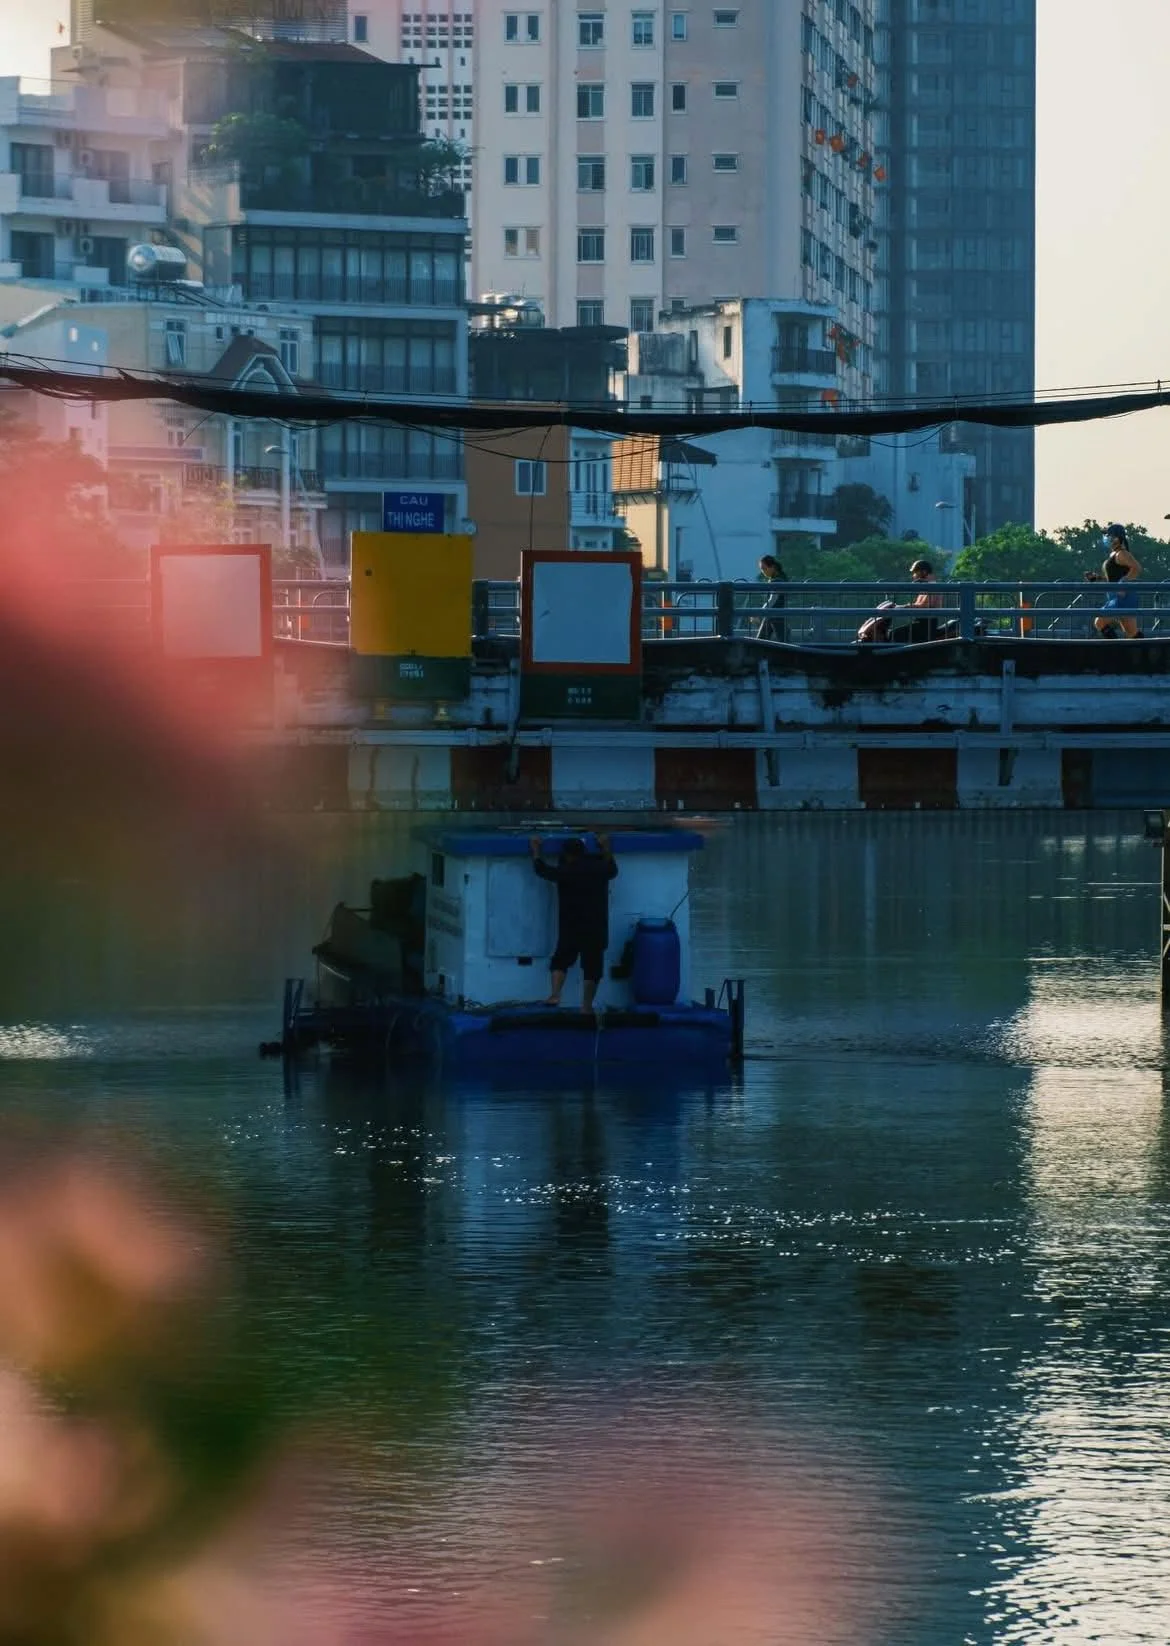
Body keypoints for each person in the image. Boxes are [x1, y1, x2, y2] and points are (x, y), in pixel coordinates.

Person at [529, 833, 619, 1011]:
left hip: (571, 925)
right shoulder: (599, 869)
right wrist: (606, 846)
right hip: (596, 926)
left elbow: (541, 869)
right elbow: (613, 870)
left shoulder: (565, 871)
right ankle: (586, 1006)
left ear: (567, 855)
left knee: (560, 961)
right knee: (592, 970)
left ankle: (555, 994)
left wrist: (536, 850)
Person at [1087, 524, 1143, 638]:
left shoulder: (1122, 553)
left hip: (1124, 597)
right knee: (1132, 633)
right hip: (1116, 596)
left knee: (1099, 622)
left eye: (1109, 535)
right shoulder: (1113, 554)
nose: (1106, 538)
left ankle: (1115, 647)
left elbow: (1137, 568)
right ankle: (1142, 650)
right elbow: (1113, 578)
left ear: (1117, 538)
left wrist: (1123, 583)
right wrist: (1097, 578)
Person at [907, 558, 943, 643]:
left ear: (924, 572)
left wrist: (904, 606)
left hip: (926, 625)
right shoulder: (925, 586)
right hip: (921, 622)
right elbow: (918, 604)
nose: (914, 575)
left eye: (915, 572)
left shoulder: (932, 586)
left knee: (895, 634)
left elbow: (925, 605)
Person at [755, 554, 788, 642]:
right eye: (761, 569)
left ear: (772, 567)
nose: (763, 572)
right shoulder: (781, 577)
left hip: (776, 615)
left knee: (783, 641)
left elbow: (773, 599)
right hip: (774, 615)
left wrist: (760, 612)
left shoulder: (777, 580)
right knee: (761, 640)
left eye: (764, 568)